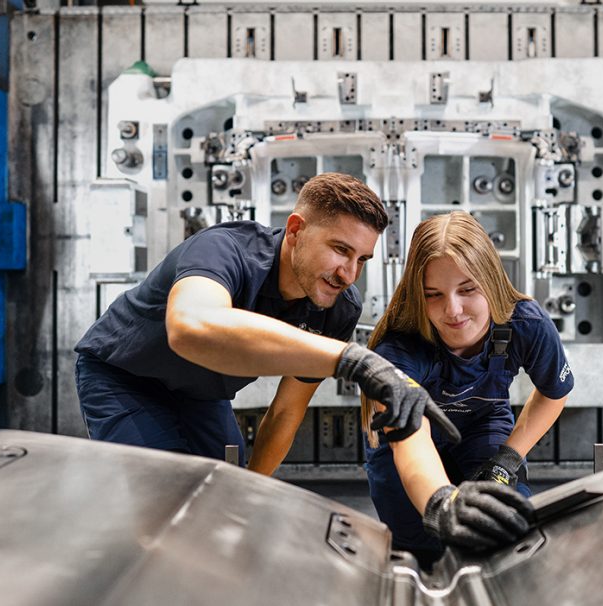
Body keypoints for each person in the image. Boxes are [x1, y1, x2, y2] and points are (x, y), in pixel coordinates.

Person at [75, 172, 450, 474]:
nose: (349, 274)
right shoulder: (225, 250)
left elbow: (287, 410)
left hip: (201, 392)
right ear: (295, 230)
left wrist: (254, 491)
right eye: (340, 250)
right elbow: (189, 328)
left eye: (362, 259)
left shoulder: (337, 308)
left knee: (230, 485)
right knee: (163, 491)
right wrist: (354, 361)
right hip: (125, 377)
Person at [362, 211, 573, 565]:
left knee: (503, 526)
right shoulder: (399, 348)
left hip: (482, 425)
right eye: (433, 294)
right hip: (405, 444)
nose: (453, 310)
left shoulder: (525, 324)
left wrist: (508, 458)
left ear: (490, 280)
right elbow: (412, 437)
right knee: (418, 547)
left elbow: (554, 392)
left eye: (468, 289)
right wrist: (440, 502)